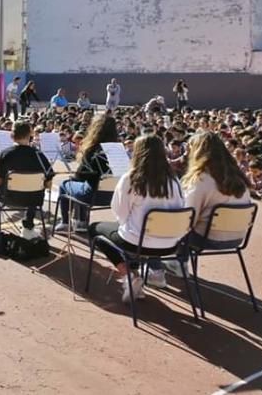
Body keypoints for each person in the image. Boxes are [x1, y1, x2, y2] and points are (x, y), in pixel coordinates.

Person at [88, 135, 186, 303]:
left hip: (137, 241)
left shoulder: (131, 178)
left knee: (95, 229)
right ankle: (135, 272)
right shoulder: (174, 180)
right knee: (132, 233)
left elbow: (119, 212)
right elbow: (181, 208)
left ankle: (130, 274)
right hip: (170, 245)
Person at [0, 120, 54, 238]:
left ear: (12, 136)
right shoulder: (39, 155)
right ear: (30, 135)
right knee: (36, 188)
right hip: (33, 200)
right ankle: (28, 227)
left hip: (8, 197)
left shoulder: (5, 154)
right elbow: (48, 184)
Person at [55, 114, 118, 232]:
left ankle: (65, 222)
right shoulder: (119, 151)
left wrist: (74, 176)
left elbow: (80, 175)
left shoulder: (94, 150)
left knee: (66, 184)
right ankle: (81, 222)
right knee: (82, 184)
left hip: (92, 196)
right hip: (113, 196)